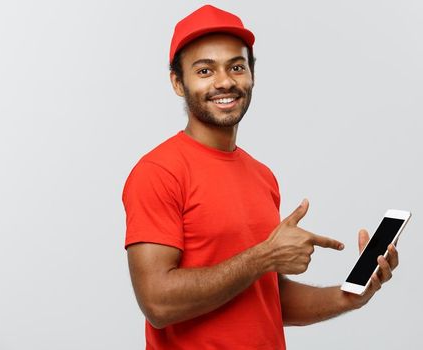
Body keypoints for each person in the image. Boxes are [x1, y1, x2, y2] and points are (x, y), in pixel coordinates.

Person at [121, 5, 400, 349]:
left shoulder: (261, 175)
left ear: (252, 75)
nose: (224, 81)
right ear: (178, 82)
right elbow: (158, 303)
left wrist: (350, 295)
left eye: (236, 67)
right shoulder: (158, 172)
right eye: (205, 70)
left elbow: (264, 295)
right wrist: (265, 256)